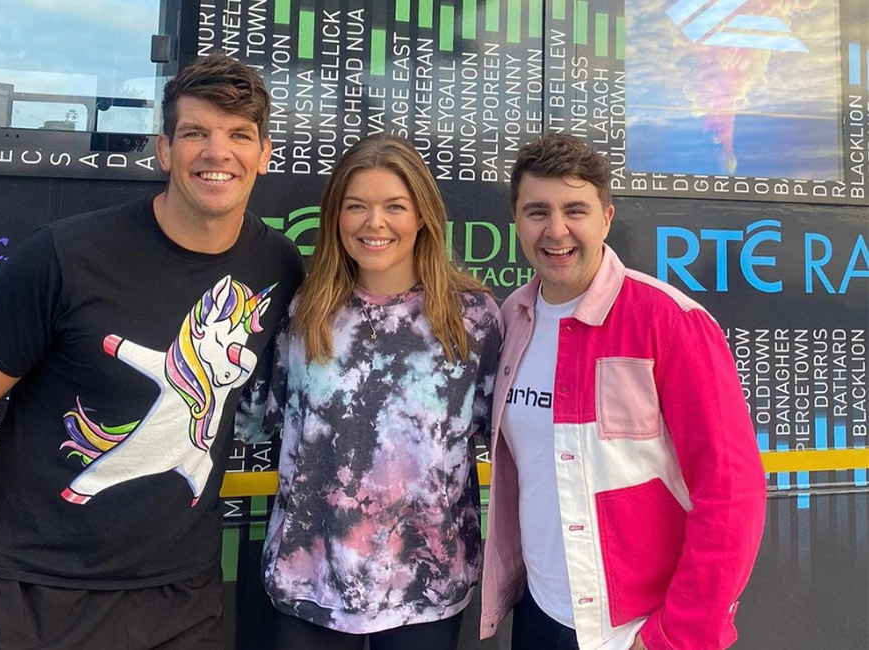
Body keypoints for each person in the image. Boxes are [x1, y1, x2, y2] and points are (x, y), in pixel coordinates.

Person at [0, 53, 304, 649]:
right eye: (196, 132)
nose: (217, 152)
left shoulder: (276, 265)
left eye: (239, 136)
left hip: (181, 596)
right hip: (32, 591)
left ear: (264, 153)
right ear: (164, 149)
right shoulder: (66, 255)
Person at [480, 134, 766, 650]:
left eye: (575, 210)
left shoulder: (670, 321)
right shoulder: (510, 322)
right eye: (537, 211)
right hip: (539, 615)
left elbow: (732, 495)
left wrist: (675, 636)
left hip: (635, 631)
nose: (556, 230)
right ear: (517, 222)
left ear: (606, 218)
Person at [235, 134, 503, 650]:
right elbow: (253, 418)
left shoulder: (473, 320)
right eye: (356, 206)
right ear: (336, 216)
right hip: (309, 580)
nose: (373, 223)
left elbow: (506, 435)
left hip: (427, 587)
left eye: (394, 207)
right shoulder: (303, 312)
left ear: (422, 215)